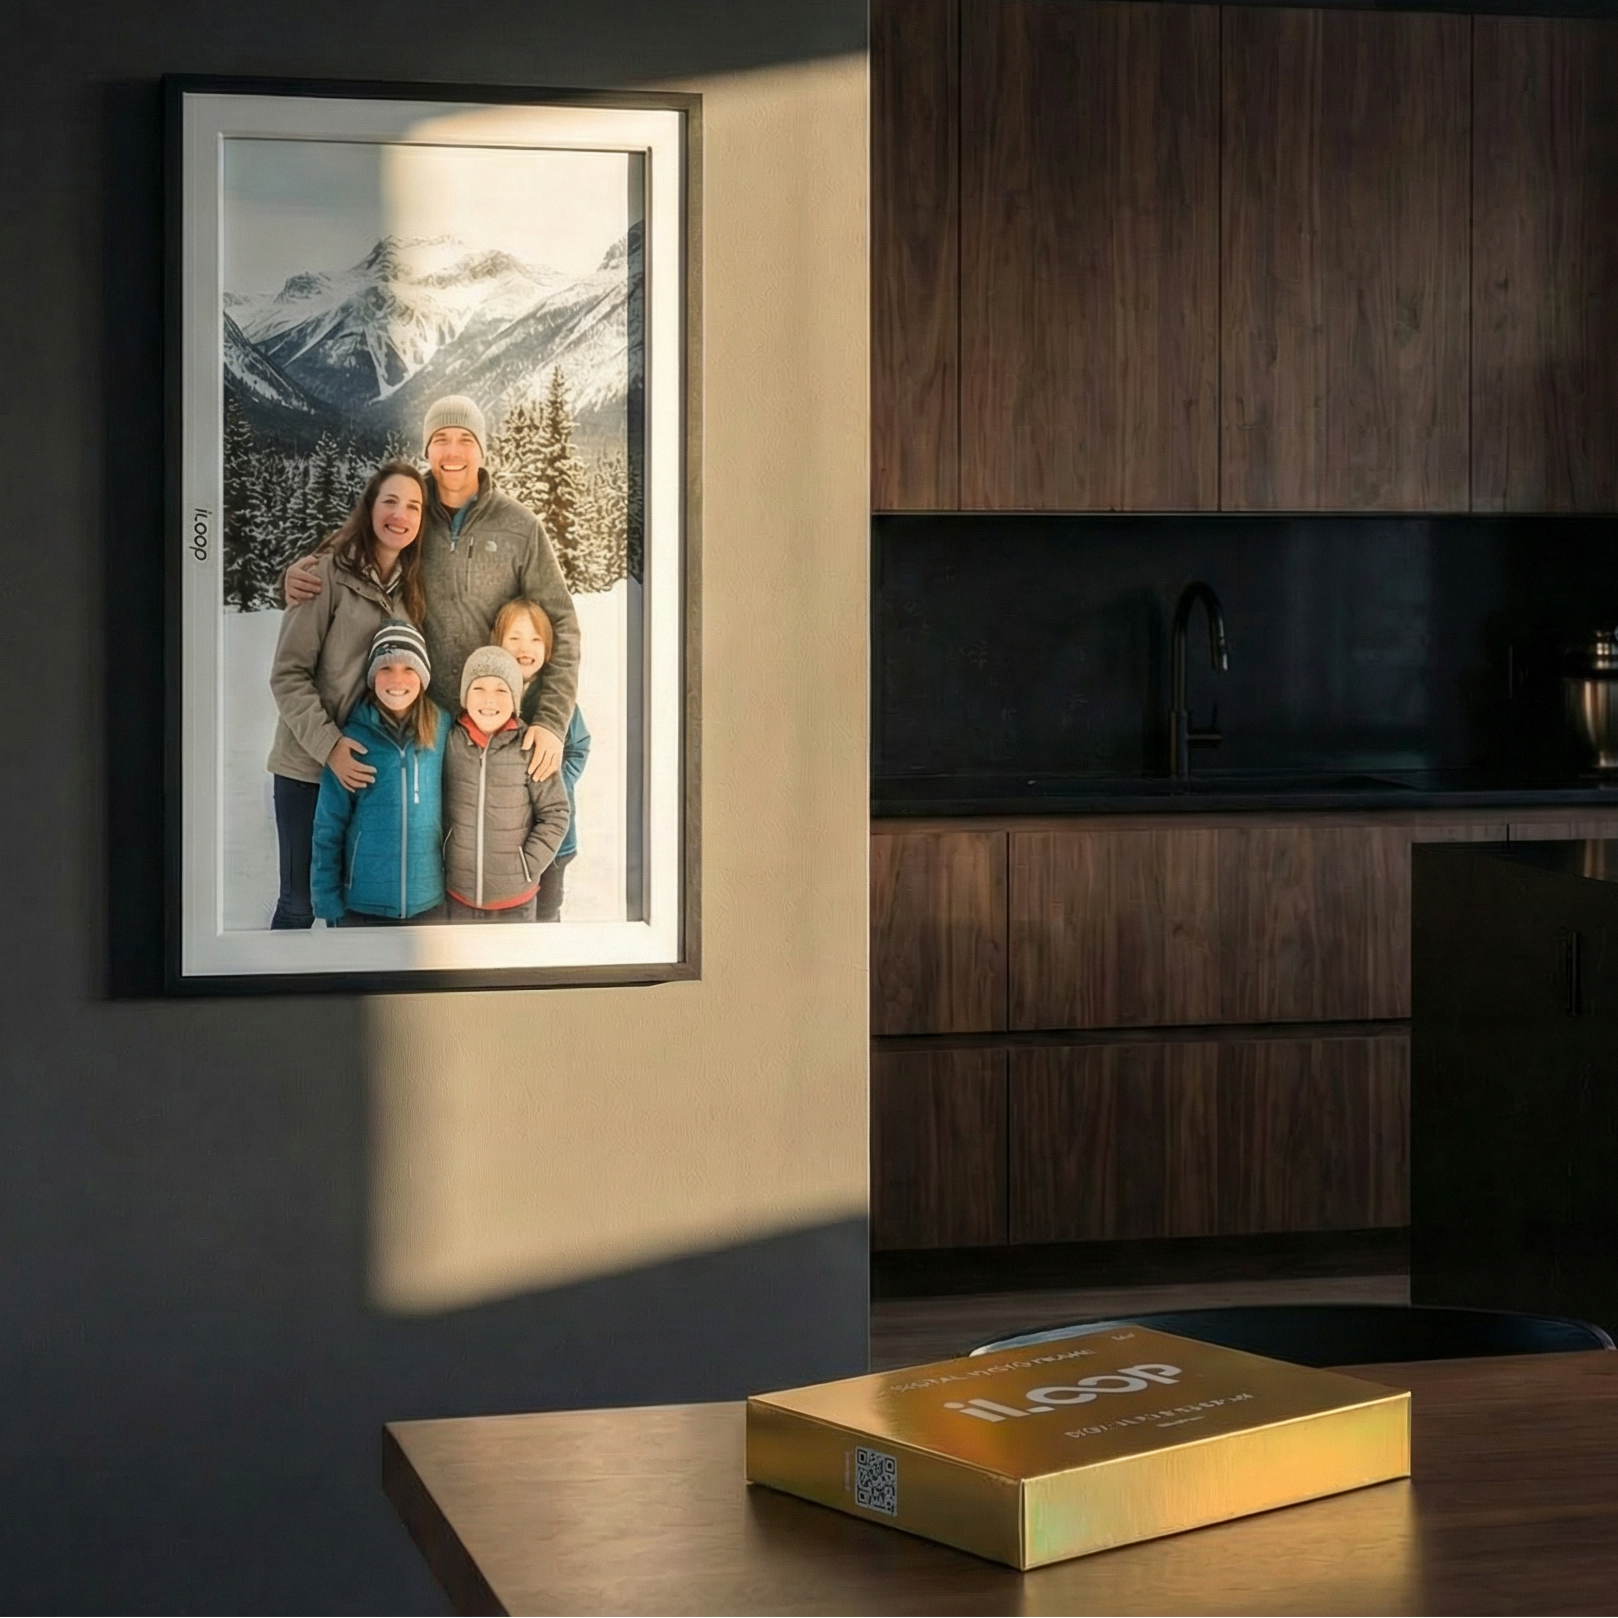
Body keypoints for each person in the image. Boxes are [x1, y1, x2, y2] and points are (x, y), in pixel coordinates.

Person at [284, 395, 578, 783]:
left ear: (482, 450)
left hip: (496, 724)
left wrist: (553, 722)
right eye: (440, 438)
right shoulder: (407, 510)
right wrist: (291, 576)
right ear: (426, 448)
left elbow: (562, 625)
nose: (452, 451)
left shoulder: (519, 527)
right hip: (417, 727)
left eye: (466, 440)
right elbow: (347, 551)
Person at [265, 461, 428, 929]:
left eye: (413, 506)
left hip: (366, 774)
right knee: (300, 904)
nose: (400, 515)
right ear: (369, 507)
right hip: (307, 770)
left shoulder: (410, 590)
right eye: (390, 501)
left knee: (351, 906)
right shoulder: (324, 574)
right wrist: (329, 745)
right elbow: (288, 675)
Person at [310, 621, 449, 927]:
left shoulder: (442, 729)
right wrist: (326, 899)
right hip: (361, 905)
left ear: (424, 676)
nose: (397, 679)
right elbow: (329, 824)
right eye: (386, 668)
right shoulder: (353, 738)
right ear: (372, 676)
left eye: (409, 669)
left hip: (429, 902)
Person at [442, 646, 571, 924]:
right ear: (465, 695)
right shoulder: (449, 742)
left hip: (517, 902)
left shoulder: (528, 747)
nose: (489, 699)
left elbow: (556, 813)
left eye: (501, 690)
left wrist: (528, 865)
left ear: (514, 699)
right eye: (479, 688)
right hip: (459, 897)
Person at [493, 597, 591, 922]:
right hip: (507, 841)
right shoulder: (487, 696)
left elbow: (579, 746)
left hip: (554, 842)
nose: (526, 647)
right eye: (515, 637)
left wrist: (553, 781)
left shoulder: (556, 701)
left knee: (546, 913)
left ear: (548, 648)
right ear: (497, 642)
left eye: (536, 639)